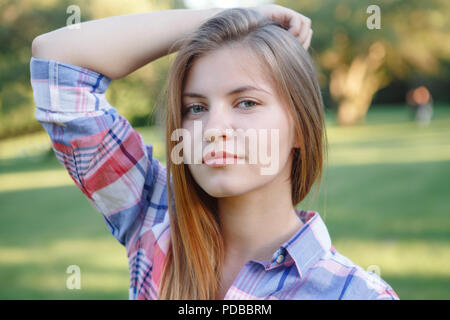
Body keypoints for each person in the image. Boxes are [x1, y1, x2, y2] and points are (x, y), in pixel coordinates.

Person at [30, 4, 399, 300]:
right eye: (196, 108)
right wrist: (224, 18)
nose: (213, 129)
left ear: (301, 126)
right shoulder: (155, 218)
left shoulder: (354, 293)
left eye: (246, 102)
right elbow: (57, 61)